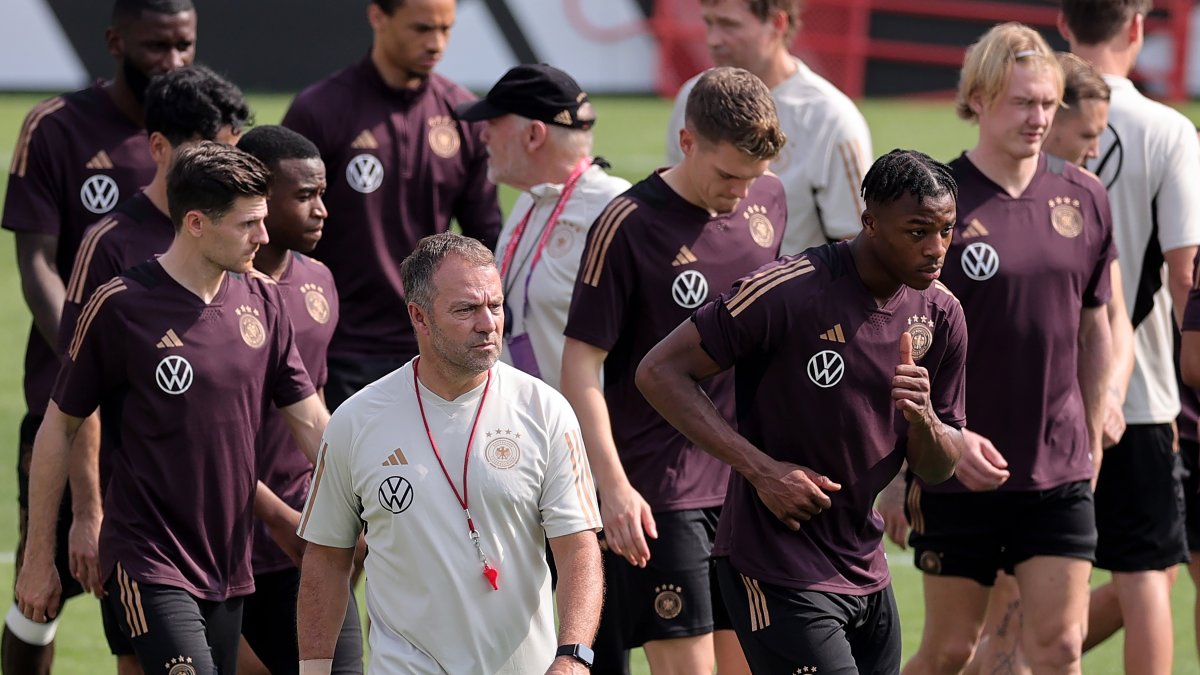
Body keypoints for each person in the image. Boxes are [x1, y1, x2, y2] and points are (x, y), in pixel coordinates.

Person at [637, 148, 965, 674]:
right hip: (775, 564)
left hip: (866, 567)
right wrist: (763, 471)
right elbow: (658, 372)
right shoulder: (788, 291)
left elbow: (941, 465)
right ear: (870, 224)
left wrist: (923, 417)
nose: (936, 249)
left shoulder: (941, 314)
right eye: (918, 231)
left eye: (946, 230)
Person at [14, 142, 332, 675]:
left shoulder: (264, 302)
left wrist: (377, 500)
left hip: (230, 564)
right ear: (196, 223)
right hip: (148, 558)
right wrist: (37, 557)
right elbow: (58, 427)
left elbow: (311, 421)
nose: (264, 236)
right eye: (248, 224)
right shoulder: (120, 305)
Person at [901, 23, 1114, 675]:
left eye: (1048, 103)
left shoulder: (1084, 195)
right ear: (981, 98)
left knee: (1059, 646)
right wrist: (916, 453)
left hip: (1058, 465)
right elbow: (898, 344)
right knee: (951, 651)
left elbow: (1094, 325)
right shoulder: (938, 202)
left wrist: (1095, 433)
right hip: (960, 464)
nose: (1039, 118)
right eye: (1023, 102)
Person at [560, 66, 786, 675]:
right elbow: (580, 364)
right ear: (687, 143)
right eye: (727, 175)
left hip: (746, 484)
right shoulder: (627, 224)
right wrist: (612, 486)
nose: (741, 193)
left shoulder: (770, 199)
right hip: (661, 492)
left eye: (753, 177)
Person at [295, 232, 603, 675]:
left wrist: (573, 655)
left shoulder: (545, 411)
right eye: (466, 309)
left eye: (495, 306)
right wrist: (314, 671)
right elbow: (325, 556)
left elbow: (578, 548)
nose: (488, 323)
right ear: (419, 317)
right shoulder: (356, 420)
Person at [0, 1, 195, 671]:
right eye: (155, 46)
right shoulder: (57, 127)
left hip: (168, 404)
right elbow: (35, 265)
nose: (171, 61)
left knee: (162, 594)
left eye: (184, 45)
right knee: (40, 592)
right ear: (115, 43)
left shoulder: (202, 130)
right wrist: (93, 357)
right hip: (67, 401)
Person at [50, 62, 249, 673]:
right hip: (140, 527)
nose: (226, 171)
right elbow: (77, 396)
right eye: (213, 152)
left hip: (226, 530)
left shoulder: (239, 240)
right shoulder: (112, 245)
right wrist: (88, 512)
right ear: (160, 148)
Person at [1062, 1, 1200, 672]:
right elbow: (1184, 271)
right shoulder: (1168, 129)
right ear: (1139, 29)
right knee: (1147, 573)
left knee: (1037, 573)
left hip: (1041, 392)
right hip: (1141, 390)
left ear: (1063, 25)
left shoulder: (1029, 106)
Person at [282, 0, 501, 410]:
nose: (436, 43)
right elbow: (281, 234)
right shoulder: (320, 110)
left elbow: (484, 237)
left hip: (435, 345)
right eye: (421, 29)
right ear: (378, 17)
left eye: (446, 29)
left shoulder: (462, 114)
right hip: (340, 344)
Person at [236, 125, 363, 675]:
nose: (322, 211)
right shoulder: (210, 291)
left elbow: (314, 407)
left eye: (323, 194)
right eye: (305, 196)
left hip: (307, 537)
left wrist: (351, 499)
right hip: (225, 541)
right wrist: (272, 512)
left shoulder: (320, 282)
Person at [455, 63, 631, 391]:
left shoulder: (614, 207)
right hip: (526, 431)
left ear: (534, 135)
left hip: (586, 435)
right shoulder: (529, 202)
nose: (484, 134)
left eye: (494, 121)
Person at [665, 0, 872, 255]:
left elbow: (859, 247)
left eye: (729, 25)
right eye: (709, 22)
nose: (713, 39)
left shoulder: (830, 118)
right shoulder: (692, 98)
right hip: (704, 292)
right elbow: (674, 208)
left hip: (797, 294)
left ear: (777, 23)